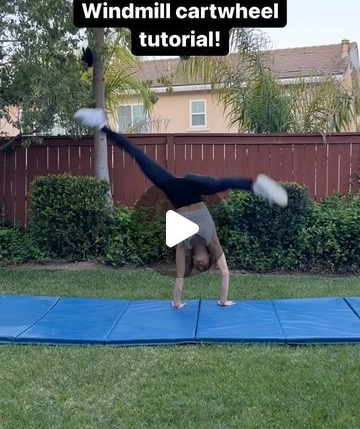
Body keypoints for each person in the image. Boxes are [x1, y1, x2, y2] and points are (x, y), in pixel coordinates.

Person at [74, 108, 288, 308]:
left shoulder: (183, 246)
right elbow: (225, 273)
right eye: (205, 266)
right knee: (215, 186)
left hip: (174, 190)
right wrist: (223, 301)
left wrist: (176, 303)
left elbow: (178, 278)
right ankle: (255, 186)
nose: (201, 265)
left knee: (137, 156)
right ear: (209, 259)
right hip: (194, 187)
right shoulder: (212, 241)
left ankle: (101, 124)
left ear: (193, 262)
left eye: (198, 267)